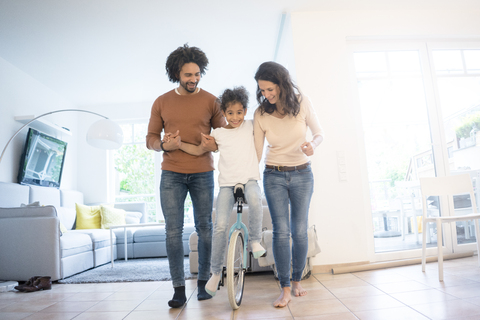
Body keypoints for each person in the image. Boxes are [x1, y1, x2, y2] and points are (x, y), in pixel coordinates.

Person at [146, 44, 226, 308]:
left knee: (204, 228)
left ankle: (203, 284)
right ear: (176, 74)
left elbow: (224, 137)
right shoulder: (162, 101)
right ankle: (178, 288)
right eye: (188, 75)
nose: (193, 79)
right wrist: (163, 145)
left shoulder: (212, 101)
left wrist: (211, 145)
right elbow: (150, 139)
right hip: (172, 174)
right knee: (172, 231)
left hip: (203, 173)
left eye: (197, 74)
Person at [177, 86, 266, 298]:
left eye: (239, 112)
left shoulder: (252, 126)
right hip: (226, 184)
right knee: (220, 226)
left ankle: (254, 240)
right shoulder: (217, 134)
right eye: (230, 113)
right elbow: (201, 149)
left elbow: (267, 123)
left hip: (250, 180)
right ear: (223, 113)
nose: (235, 117)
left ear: (245, 111)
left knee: (255, 198)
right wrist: (179, 144)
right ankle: (216, 273)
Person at [253, 61, 324, 308]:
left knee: (300, 230)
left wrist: (312, 146)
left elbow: (319, 133)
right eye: (262, 91)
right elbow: (256, 151)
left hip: (303, 174)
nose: (267, 95)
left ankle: (297, 281)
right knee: (281, 231)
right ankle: (284, 288)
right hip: (273, 175)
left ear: (282, 84)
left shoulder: (302, 101)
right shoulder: (260, 114)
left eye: (270, 89)